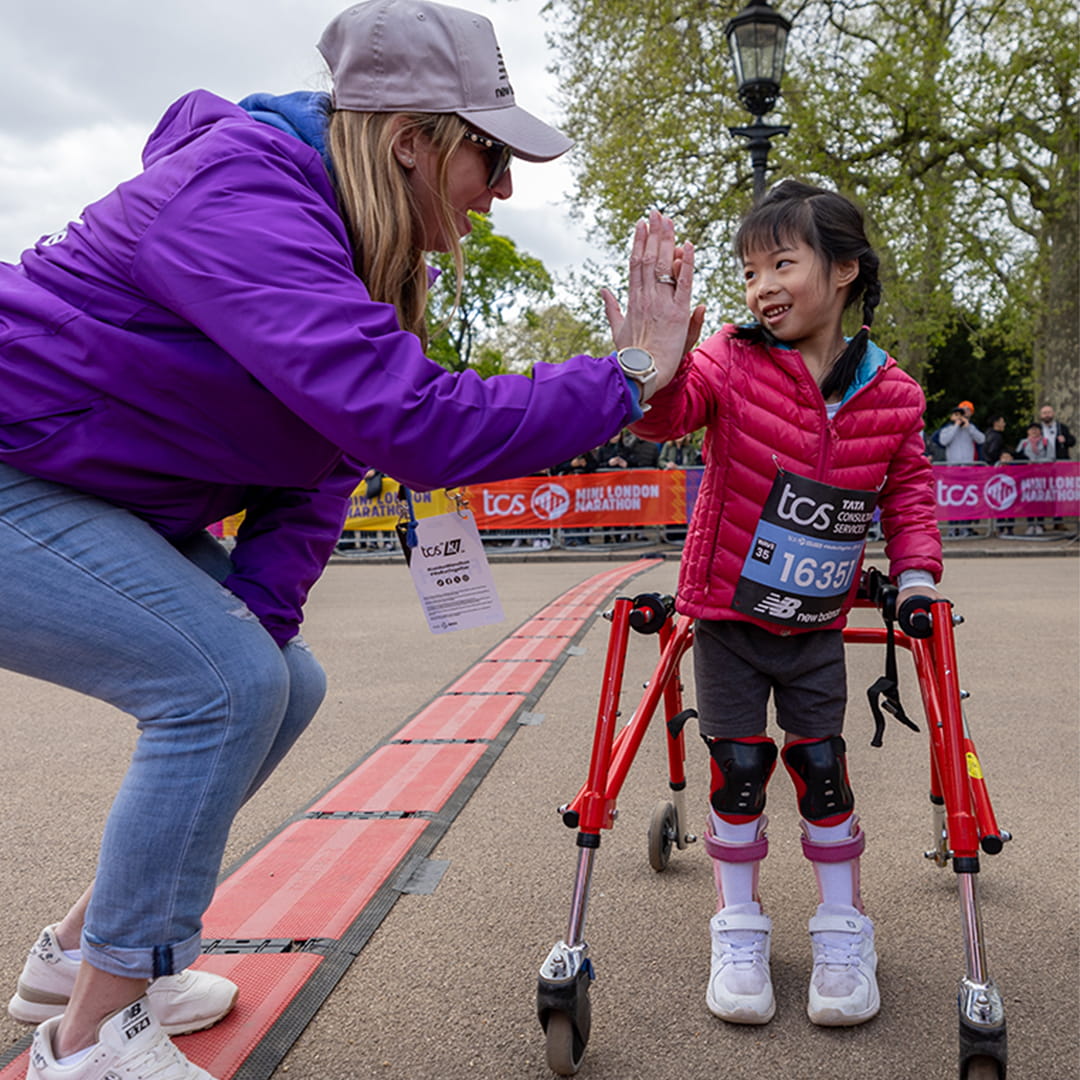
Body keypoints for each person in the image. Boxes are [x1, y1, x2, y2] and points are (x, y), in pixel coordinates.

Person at [0, 3, 696, 1079]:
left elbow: (316, 477)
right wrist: (627, 376)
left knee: (280, 679)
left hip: (71, 488)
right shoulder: (241, 197)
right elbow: (408, 425)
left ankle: (97, 956)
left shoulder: (361, 254)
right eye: (491, 152)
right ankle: (89, 1042)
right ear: (412, 139)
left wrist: (261, 651)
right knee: (224, 684)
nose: (503, 189)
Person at [623, 180, 942, 1029]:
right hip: (728, 616)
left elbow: (909, 495)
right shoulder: (729, 358)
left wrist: (916, 579)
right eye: (748, 268)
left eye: (782, 263)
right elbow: (669, 414)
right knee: (739, 772)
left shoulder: (895, 396)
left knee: (823, 773)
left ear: (843, 271)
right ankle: (739, 924)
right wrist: (650, 364)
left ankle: (844, 925)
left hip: (815, 626)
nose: (760, 284)